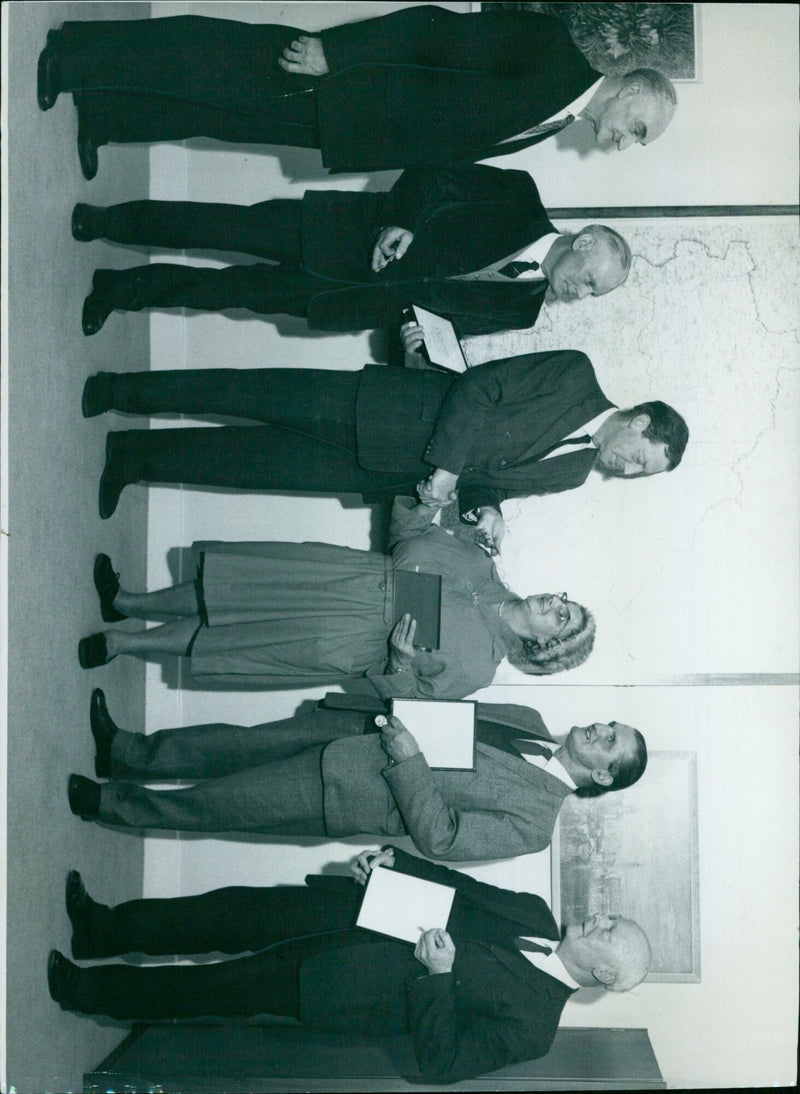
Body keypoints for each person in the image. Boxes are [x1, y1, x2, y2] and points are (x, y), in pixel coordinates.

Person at [48, 847, 651, 1084]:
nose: (598, 919)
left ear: (603, 976)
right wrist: (394, 863)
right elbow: (454, 885)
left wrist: (439, 980)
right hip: (346, 911)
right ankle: (102, 928)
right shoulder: (535, 912)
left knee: (208, 986)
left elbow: (440, 1064)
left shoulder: (534, 1028)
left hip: (338, 986)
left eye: (608, 931)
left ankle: (87, 990)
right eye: (609, 917)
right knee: (222, 912)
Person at [83, 352, 690, 555]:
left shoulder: (576, 473)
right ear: (638, 421)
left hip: (385, 471)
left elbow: (493, 482)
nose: (628, 470)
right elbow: (480, 388)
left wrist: (491, 508)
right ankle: (119, 389)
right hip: (381, 407)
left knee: (249, 462)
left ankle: (132, 456)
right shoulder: (575, 376)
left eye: (642, 475)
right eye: (641, 457)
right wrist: (451, 469)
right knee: (243, 391)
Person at [36, 8, 676, 178]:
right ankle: (74, 52)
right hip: (343, 78)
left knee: (216, 115)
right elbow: (434, 30)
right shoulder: (551, 53)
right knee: (211, 55)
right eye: (639, 128)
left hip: (344, 126)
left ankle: (106, 112)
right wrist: (335, 52)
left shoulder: (555, 121)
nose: (626, 142)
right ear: (628, 87)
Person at [77, 498, 596, 699]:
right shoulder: (483, 560)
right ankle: (128, 602)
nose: (555, 601)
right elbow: (404, 529)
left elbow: (403, 701)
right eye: (563, 599)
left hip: (348, 639)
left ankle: (123, 643)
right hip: (348, 574)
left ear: (547, 647)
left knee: (237, 636)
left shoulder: (478, 671)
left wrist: (400, 660)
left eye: (561, 615)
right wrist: (434, 503)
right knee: (235, 587)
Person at [66, 688, 646, 859]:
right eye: (609, 724)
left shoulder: (535, 824)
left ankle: (108, 804)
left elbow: (441, 838)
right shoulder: (529, 720)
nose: (598, 729)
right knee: (231, 744)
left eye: (608, 741)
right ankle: (125, 752)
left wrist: (409, 757)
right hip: (353, 729)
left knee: (220, 802)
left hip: (349, 789)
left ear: (599, 778)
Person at [72, 167, 632, 341]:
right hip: (341, 231)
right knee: (223, 227)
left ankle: (117, 291)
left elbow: (445, 331)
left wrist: (420, 343)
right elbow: (432, 175)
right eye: (589, 282)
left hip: (346, 301)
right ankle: (105, 221)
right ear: (582, 244)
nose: (580, 295)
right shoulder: (519, 197)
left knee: (227, 291)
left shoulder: (525, 310)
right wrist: (403, 221)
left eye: (591, 294)